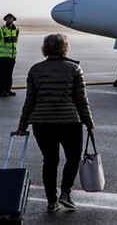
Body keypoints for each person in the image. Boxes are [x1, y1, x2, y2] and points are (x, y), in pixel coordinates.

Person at [14, 33, 95, 213]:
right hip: (70, 122)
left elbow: (30, 101)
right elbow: (82, 100)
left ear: (46, 48)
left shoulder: (35, 70)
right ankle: (65, 193)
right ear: (65, 48)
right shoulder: (74, 69)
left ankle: (51, 201)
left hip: (42, 124)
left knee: (50, 160)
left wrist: (22, 125)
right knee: (73, 158)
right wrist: (89, 122)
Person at [0, 13, 19, 97]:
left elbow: (16, 41)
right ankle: (2, 91)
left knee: (9, 74)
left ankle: (8, 89)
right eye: (8, 18)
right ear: (5, 20)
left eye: (11, 18)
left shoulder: (16, 29)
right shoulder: (1, 29)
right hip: (3, 56)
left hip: (12, 56)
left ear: (13, 19)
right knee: (3, 74)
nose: (9, 20)